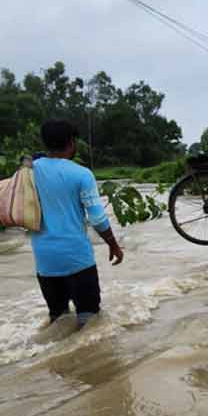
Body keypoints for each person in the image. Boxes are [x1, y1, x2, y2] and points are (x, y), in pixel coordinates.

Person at [31, 119, 124, 327]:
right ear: (71, 142)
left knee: (58, 321)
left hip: (45, 262)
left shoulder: (28, 172)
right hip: (77, 259)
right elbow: (97, 218)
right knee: (89, 322)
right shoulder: (82, 174)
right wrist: (113, 245)